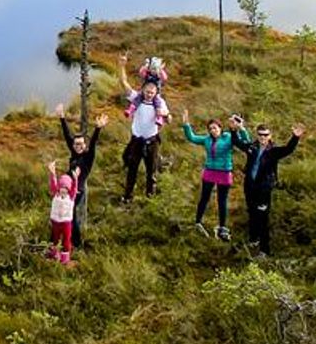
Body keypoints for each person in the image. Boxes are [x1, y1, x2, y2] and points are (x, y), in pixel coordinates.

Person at [234, 122, 306, 256]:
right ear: (257, 135)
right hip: (250, 187)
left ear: (270, 136)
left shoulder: (273, 151)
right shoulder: (252, 147)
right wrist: (234, 129)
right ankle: (254, 239)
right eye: (260, 135)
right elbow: (237, 143)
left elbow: (288, 149)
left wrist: (295, 137)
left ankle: (264, 250)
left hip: (264, 190)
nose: (263, 137)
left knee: (262, 218)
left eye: (266, 135)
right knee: (252, 213)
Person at [116, 54, 170, 202]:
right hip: (136, 141)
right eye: (147, 91)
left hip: (152, 141)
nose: (149, 94)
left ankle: (150, 197)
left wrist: (166, 115)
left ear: (156, 92)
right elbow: (123, 82)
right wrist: (121, 66)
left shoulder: (160, 103)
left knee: (151, 171)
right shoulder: (136, 98)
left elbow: (168, 118)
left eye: (152, 92)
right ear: (143, 90)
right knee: (132, 170)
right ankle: (128, 197)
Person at [179, 109, 237, 240]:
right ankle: (198, 222)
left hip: (224, 172)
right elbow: (192, 138)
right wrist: (186, 124)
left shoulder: (228, 138)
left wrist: (240, 128)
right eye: (210, 129)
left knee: (222, 200)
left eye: (215, 128)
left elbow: (243, 140)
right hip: (210, 171)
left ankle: (222, 227)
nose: (213, 131)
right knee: (204, 198)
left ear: (220, 128)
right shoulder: (207, 140)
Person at [55, 103, 106, 246]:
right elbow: (67, 136)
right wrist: (62, 118)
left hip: (78, 190)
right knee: (64, 212)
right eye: (76, 144)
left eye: (81, 144)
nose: (78, 146)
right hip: (67, 188)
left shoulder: (88, 157)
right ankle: (65, 237)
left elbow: (93, 143)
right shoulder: (74, 153)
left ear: (85, 145)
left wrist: (98, 128)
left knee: (70, 213)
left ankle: (76, 242)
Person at [46, 161, 78, 263]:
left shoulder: (71, 197)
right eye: (62, 187)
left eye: (66, 188)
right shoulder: (56, 194)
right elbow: (53, 184)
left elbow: (75, 188)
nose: (63, 190)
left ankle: (65, 257)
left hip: (66, 223)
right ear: (59, 188)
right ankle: (55, 254)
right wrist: (52, 173)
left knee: (66, 239)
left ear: (69, 189)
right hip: (56, 222)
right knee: (55, 238)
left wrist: (75, 178)